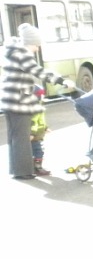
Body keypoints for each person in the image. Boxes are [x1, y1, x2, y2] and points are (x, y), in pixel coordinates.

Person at [2, 23, 75, 180]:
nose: (38, 48)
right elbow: (39, 72)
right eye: (36, 45)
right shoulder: (22, 54)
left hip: (11, 101)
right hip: (18, 103)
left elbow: (23, 79)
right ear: (29, 42)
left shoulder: (14, 52)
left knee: (15, 137)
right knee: (22, 138)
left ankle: (17, 170)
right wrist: (61, 81)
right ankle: (24, 172)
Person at [30, 85, 50, 176]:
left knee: (38, 151)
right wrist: (32, 133)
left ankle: (36, 167)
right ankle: (38, 168)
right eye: (41, 95)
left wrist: (45, 128)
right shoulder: (35, 108)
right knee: (38, 151)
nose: (42, 97)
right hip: (34, 135)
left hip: (38, 134)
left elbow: (41, 120)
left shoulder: (39, 106)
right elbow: (33, 122)